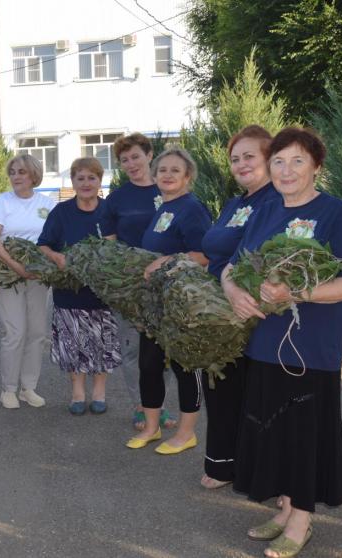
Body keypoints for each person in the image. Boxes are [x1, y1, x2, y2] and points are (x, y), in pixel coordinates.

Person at [222, 127, 342, 558]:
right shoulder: (266, 211)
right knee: (273, 429)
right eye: (279, 161)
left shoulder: (334, 212)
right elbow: (232, 267)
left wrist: (296, 294)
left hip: (311, 348)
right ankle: (284, 509)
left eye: (297, 161)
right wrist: (235, 292)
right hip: (265, 343)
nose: (286, 170)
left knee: (304, 435)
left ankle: (301, 520)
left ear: (316, 167)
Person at [199, 126, 279, 490]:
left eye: (250, 156)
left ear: (269, 158)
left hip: (252, 311)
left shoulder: (276, 201)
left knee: (254, 395)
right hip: (220, 311)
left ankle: (258, 469)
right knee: (220, 387)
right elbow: (215, 249)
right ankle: (222, 463)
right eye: (235, 159)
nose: (241, 164)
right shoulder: (235, 204)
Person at [125, 148, 211, 455]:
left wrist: (164, 262)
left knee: (184, 367)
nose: (168, 175)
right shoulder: (164, 208)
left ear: (188, 175)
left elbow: (204, 255)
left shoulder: (191, 209)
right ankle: (151, 427)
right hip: (156, 305)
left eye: (175, 170)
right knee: (149, 365)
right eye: (162, 170)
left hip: (181, 303)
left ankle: (186, 433)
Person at [101, 132, 176, 430]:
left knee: (166, 347)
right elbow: (109, 245)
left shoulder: (170, 190)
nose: (131, 163)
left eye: (135, 156)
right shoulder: (116, 199)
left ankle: (159, 405)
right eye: (124, 160)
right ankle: (140, 406)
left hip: (168, 282)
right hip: (131, 286)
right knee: (132, 348)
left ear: (149, 155)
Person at [37, 157, 121, 415]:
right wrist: (56, 257)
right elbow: (43, 245)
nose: (86, 183)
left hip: (101, 293)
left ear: (100, 180)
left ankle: (99, 392)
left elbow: (119, 249)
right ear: (73, 181)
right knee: (72, 345)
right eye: (80, 178)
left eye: (91, 178)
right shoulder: (61, 212)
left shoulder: (109, 211)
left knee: (101, 345)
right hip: (69, 293)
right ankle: (77, 393)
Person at [0, 154, 57, 410]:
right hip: (8, 275)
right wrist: (16, 266)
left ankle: (29, 388)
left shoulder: (48, 203)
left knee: (36, 332)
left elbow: (53, 239)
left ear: (33, 175)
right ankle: (9, 389)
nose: (16, 176)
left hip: (38, 278)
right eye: (13, 172)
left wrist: (41, 266)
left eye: (21, 172)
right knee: (14, 332)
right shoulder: (2, 201)